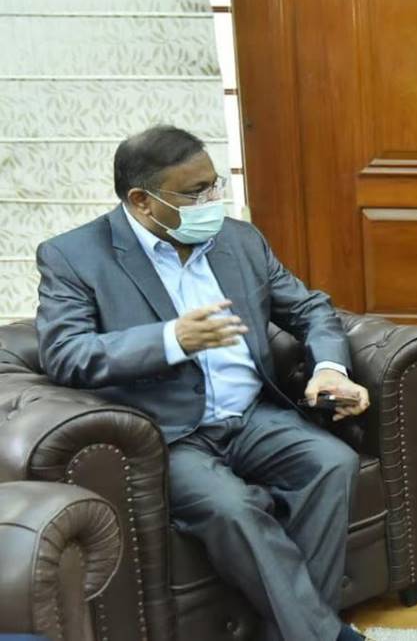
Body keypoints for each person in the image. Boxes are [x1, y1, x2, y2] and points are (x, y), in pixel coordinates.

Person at [35, 125, 372, 641]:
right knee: (231, 508)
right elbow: (65, 354)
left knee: (332, 463)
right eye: (195, 192)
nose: (213, 201)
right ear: (142, 201)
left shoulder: (238, 240)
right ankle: (324, 635)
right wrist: (171, 339)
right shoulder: (74, 256)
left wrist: (329, 369)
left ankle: (299, 631)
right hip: (167, 433)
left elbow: (310, 309)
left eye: (214, 185)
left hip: (253, 416)